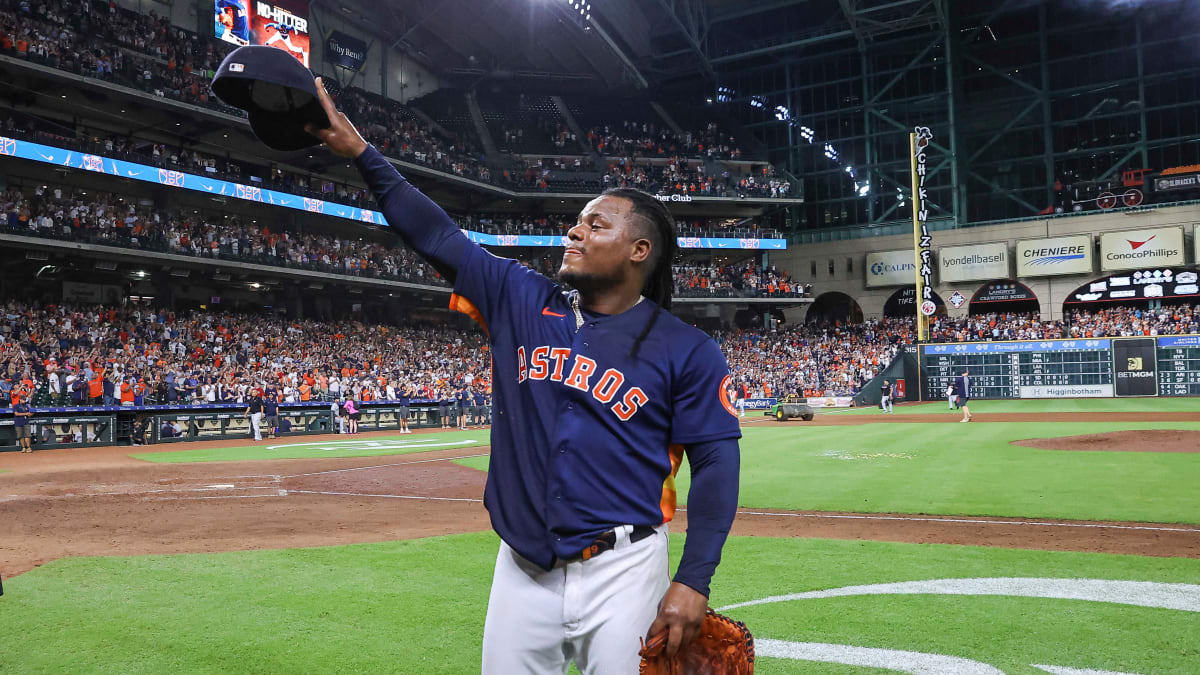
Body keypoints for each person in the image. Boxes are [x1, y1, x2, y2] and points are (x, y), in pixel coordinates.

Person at [308, 77, 742, 673]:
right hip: (522, 568)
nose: (575, 230)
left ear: (639, 251)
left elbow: (716, 463)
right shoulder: (518, 298)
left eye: (597, 225)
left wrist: (694, 579)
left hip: (625, 568)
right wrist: (360, 151)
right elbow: (436, 234)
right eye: (578, 221)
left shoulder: (686, 349)